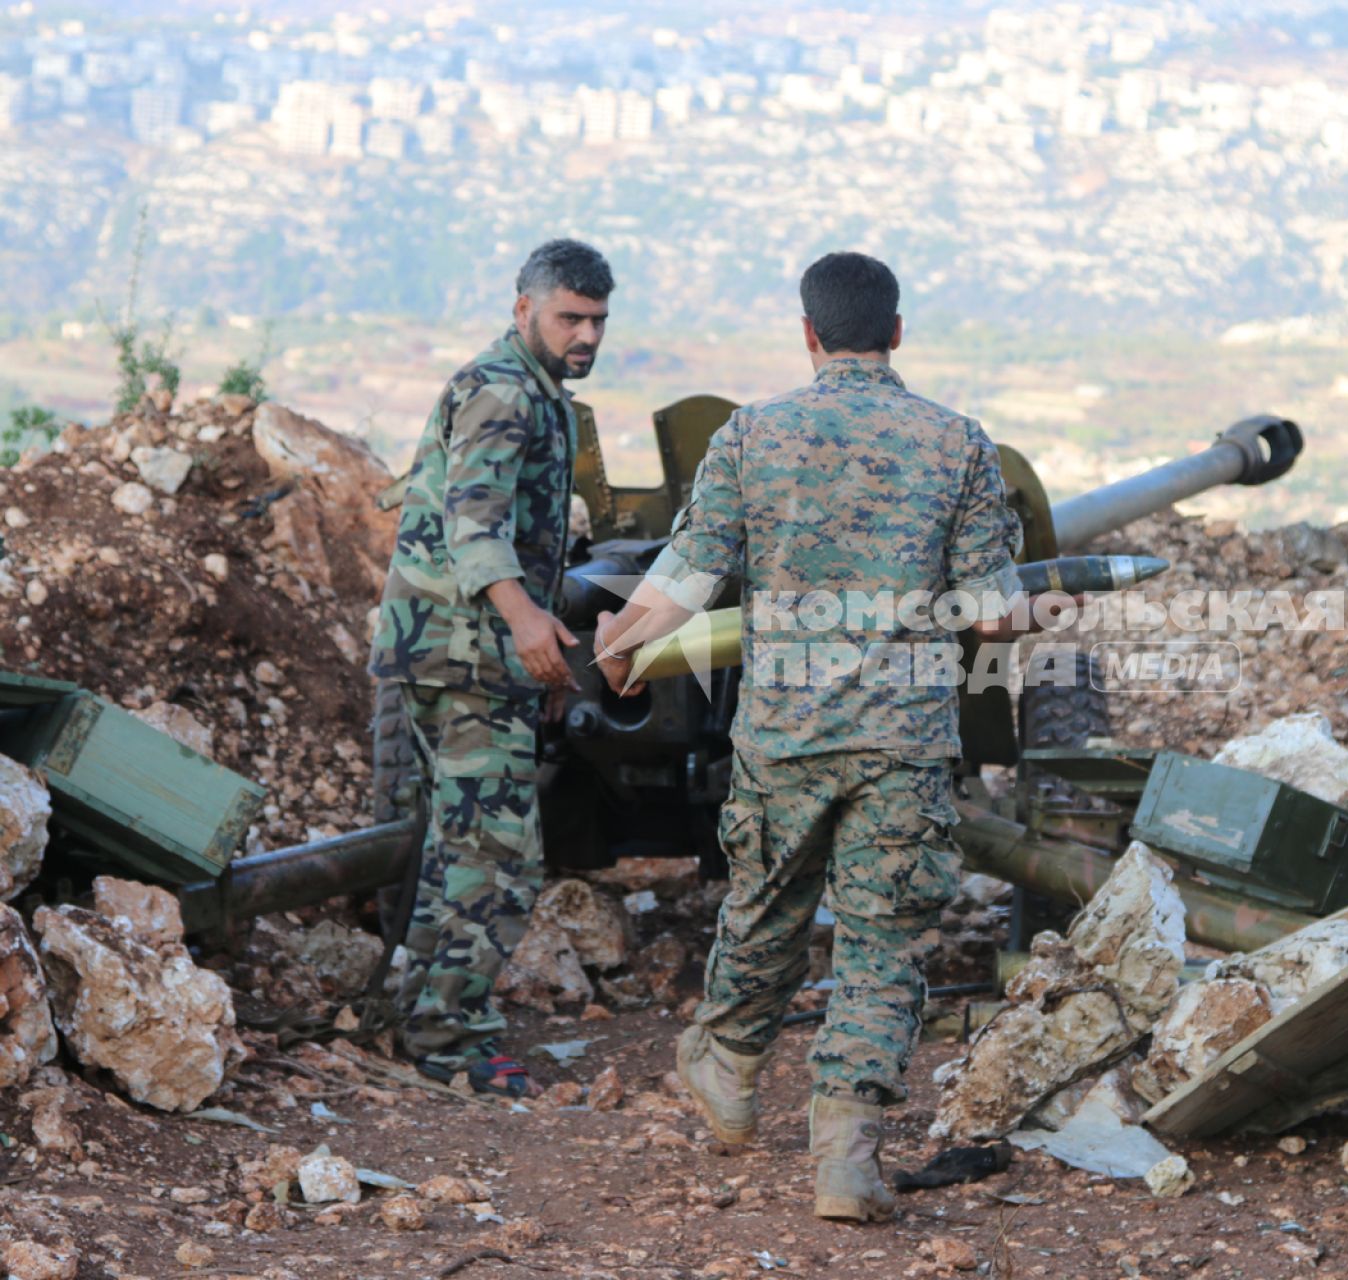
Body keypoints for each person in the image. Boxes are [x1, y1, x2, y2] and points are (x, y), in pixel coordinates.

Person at [593, 251, 1025, 1221]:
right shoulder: (957, 444)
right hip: (903, 741)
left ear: (808, 334)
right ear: (899, 332)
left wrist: (619, 646)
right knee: (882, 943)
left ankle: (732, 1071)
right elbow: (995, 620)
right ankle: (845, 1160)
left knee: (766, 907)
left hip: (783, 733)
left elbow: (688, 576)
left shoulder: (754, 435)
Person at [368, 238, 613, 1098]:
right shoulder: (504, 392)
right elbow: (476, 529)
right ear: (524, 311)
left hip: (473, 656)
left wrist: (528, 661)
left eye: (596, 320)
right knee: (494, 856)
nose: (584, 335)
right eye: (568, 318)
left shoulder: (535, 391)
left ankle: (426, 1020)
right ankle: (449, 1039)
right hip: (460, 650)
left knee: (466, 845)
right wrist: (529, 629)